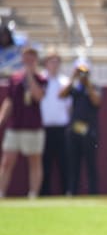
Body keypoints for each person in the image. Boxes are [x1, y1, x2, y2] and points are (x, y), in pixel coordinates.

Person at [0, 47, 47, 198]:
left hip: (33, 127)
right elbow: (9, 101)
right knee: (7, 160)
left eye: (32, 58)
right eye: (26, 58)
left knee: (34, 161)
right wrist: (1, 118)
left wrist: (30, 76)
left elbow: (38, 96)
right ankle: (1, 192)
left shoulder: (41, 78)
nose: (29, 61)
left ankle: (33, 194)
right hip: (15, 125)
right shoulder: (14, 79)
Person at [60, 59, 102, 195]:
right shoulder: (74, 88)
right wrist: (73, 77)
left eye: (85, 72)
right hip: (74, 130)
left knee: (91, 164)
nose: (82, 74)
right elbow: (61, 95)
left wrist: (87, 84)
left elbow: (97, 101)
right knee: (73, 164)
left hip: (89, 130)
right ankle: (72, 191)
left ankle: (93, 192)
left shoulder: (94, 86)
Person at [39, 50, 71, 196]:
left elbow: (69, 106)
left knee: (64, 162)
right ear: (46, 63)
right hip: (44, 127)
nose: (54, 65)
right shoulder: (40, 79)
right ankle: (43, 193)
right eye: (52, 61)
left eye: (57, 61)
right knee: (45, 163)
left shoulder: (65, 81)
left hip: (61, 127)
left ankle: (66, 192)